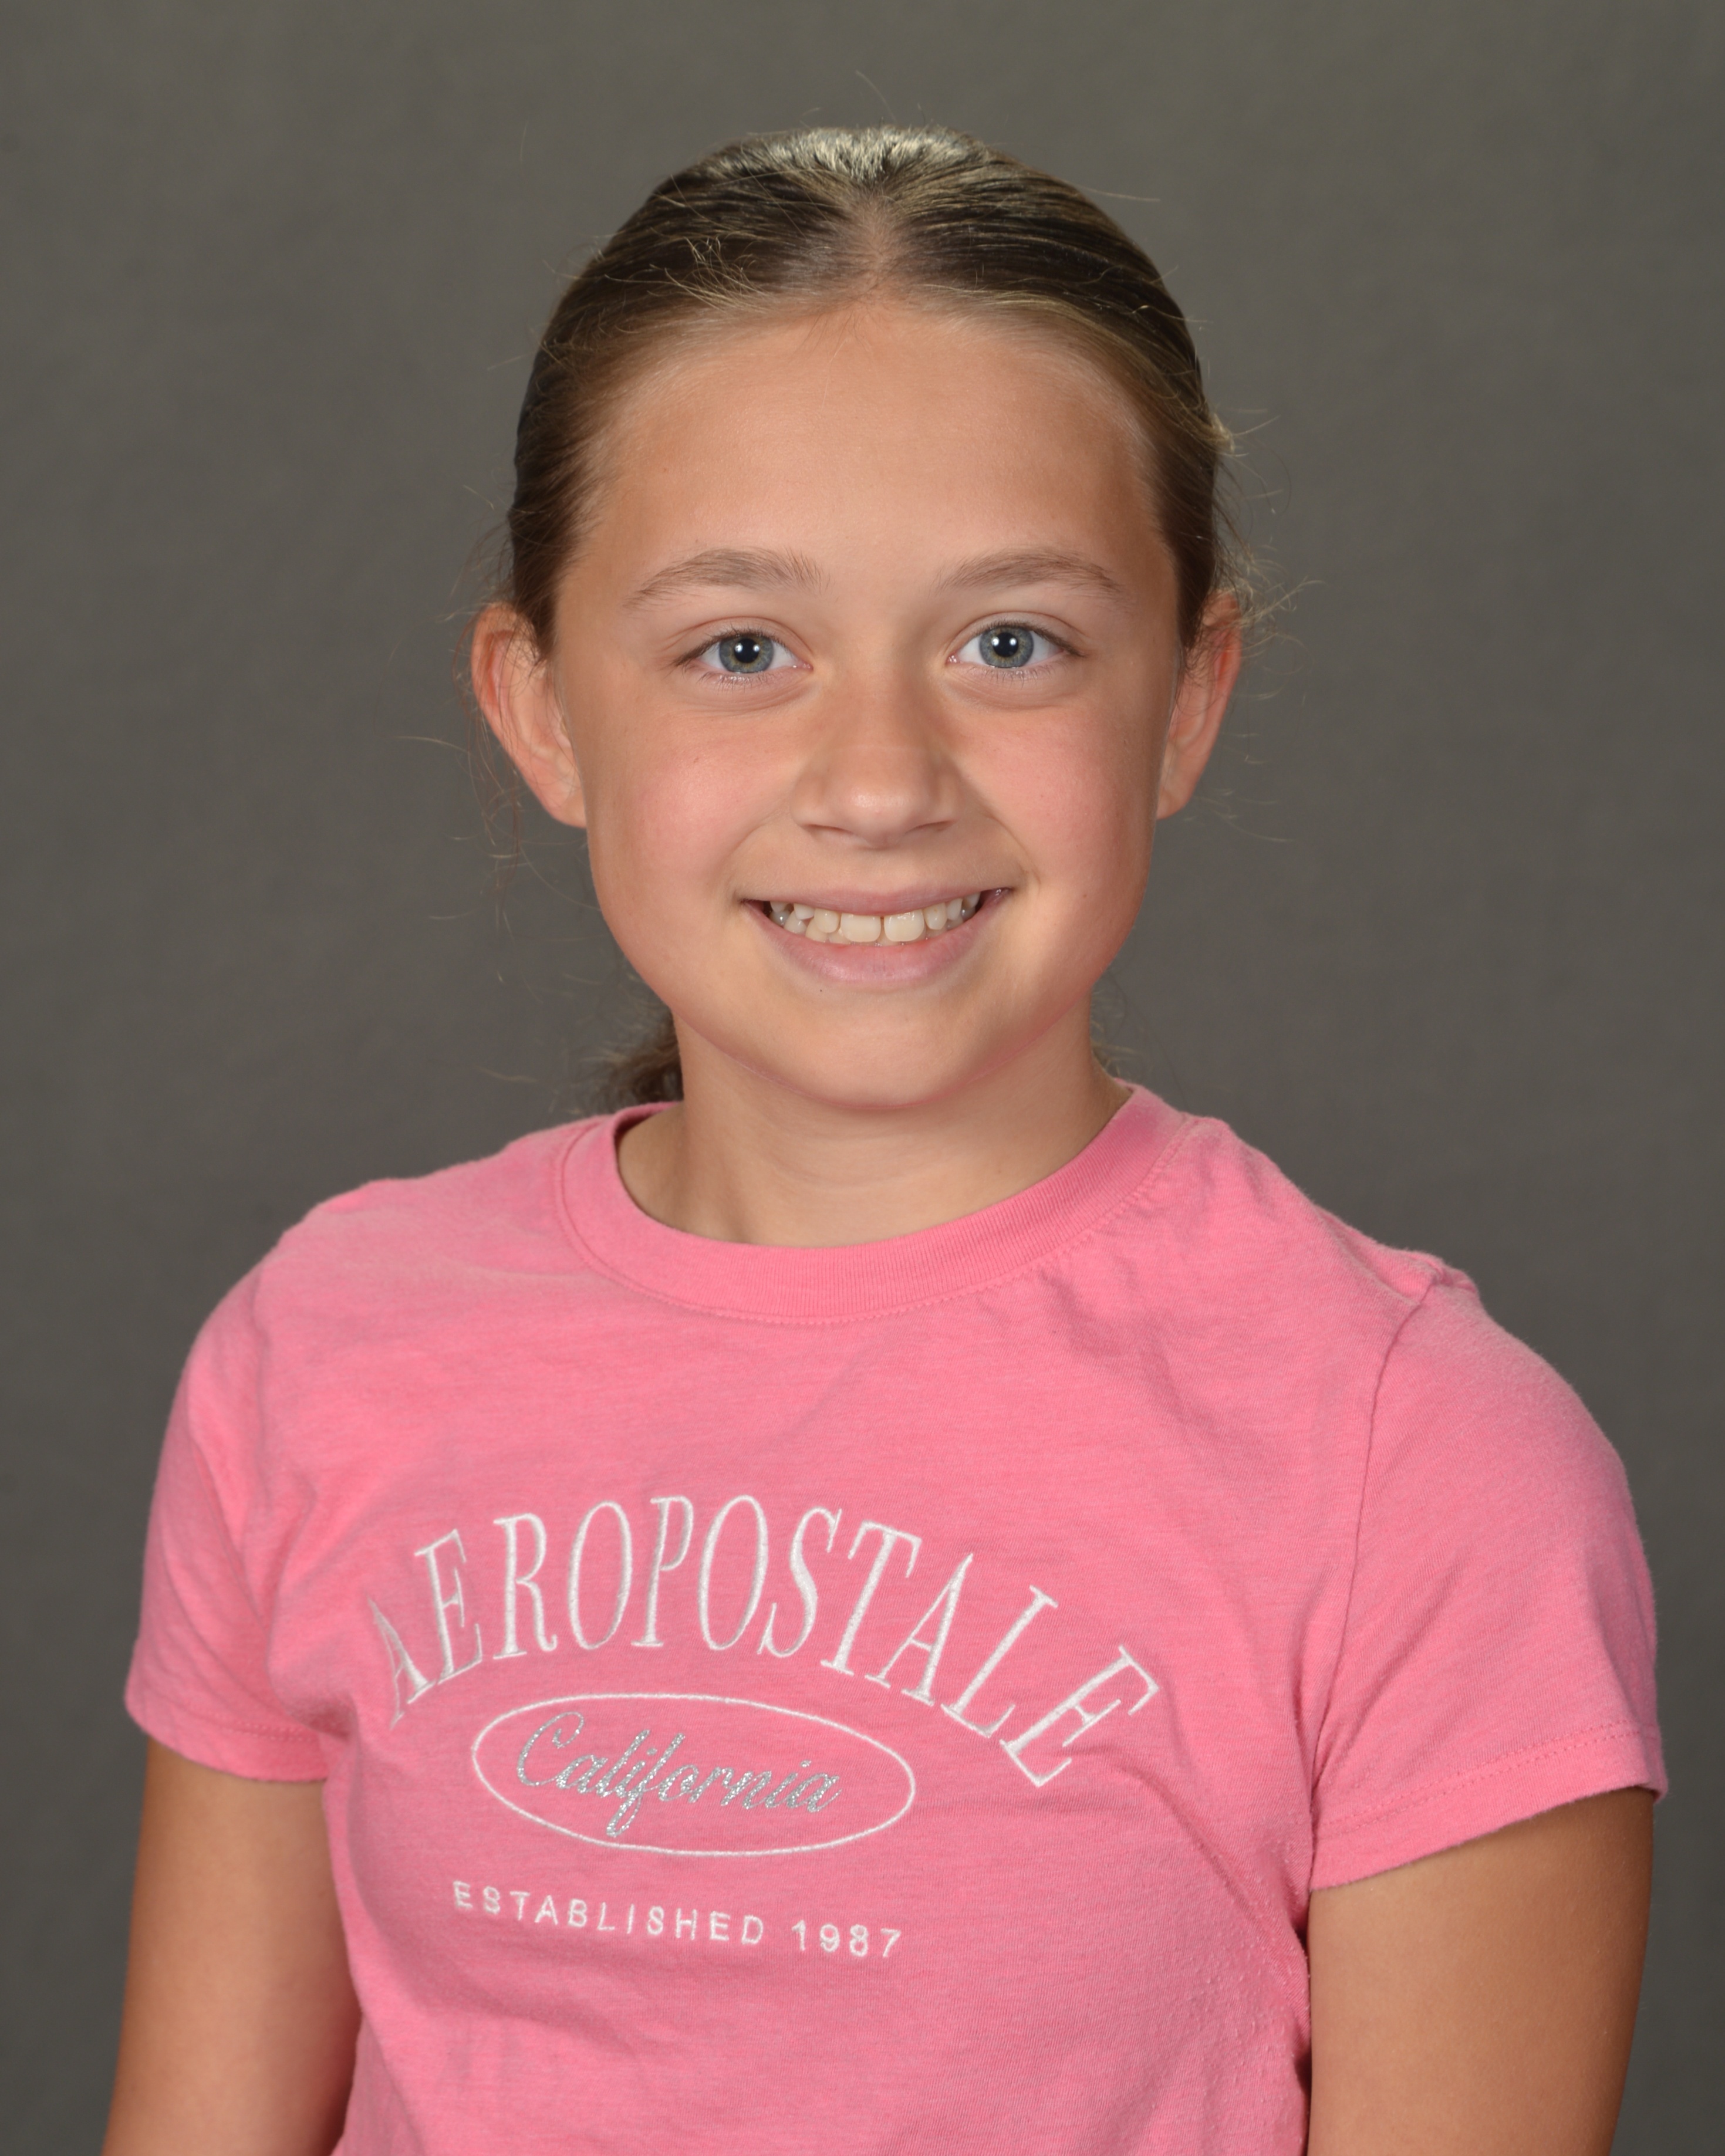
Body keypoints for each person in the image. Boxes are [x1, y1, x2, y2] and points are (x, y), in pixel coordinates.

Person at [103, 127, 1662, 2156]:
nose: (876, 780)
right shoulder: (321, 1348)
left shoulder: (1416, 1465)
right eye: (740, 650)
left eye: (1009, 642)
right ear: (544, 707)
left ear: (1186, 701)